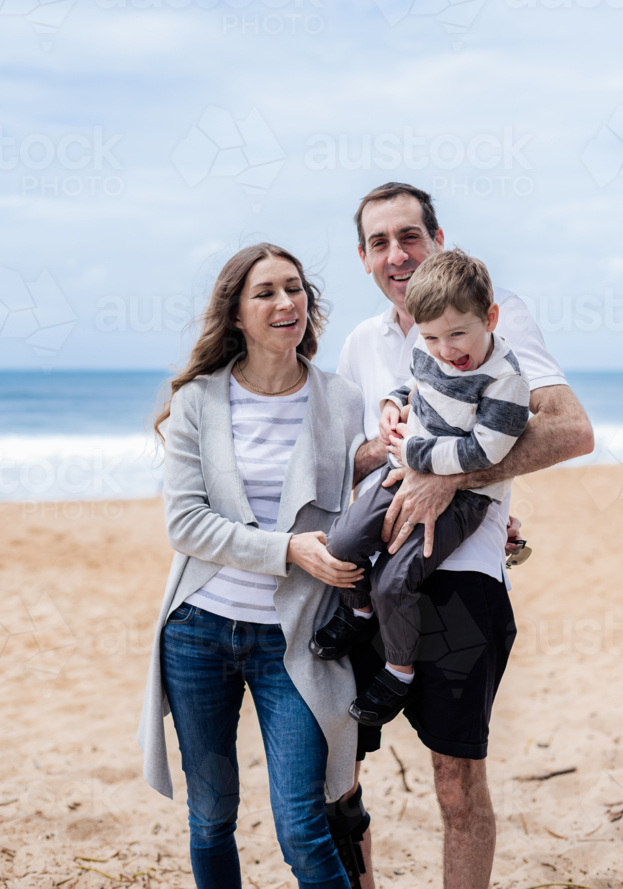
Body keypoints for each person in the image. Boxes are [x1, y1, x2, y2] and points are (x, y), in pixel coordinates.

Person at [337, 183, 594, 889]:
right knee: (336, 770)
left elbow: (569, 429)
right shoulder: (361, 344)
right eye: (380, 242)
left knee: (455, 784)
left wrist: (451, 477)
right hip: (372, 573)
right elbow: (344, 459)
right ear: (362, 258)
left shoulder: (493, 317)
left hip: (462, 580)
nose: (397, 254)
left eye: (410, 236)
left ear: (437, 238)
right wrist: (383, 444)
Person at [137, 242, 371, 889]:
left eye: (293, 289)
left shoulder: (343, 400)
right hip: (198, 633)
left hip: (293, 640)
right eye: (264, 292)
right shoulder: (198, 402)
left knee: (302, 826)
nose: (284, 303)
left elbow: (362, 501)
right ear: (236, 314)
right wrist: (287, 551)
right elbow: (185, 526)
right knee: (211, 816)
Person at [311, 250, 530, 729]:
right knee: (344, 544)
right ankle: (360, 611)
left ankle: (398, 671)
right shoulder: (426, 348)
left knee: (395, 580)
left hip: (463, 495)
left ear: (490, 317)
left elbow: (487, 452)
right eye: (431, 337)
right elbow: (414, 383)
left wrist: (415, 455)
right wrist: (393, 403)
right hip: (407, 465)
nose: (445, 350)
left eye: (457, 335)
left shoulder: (506, 380)